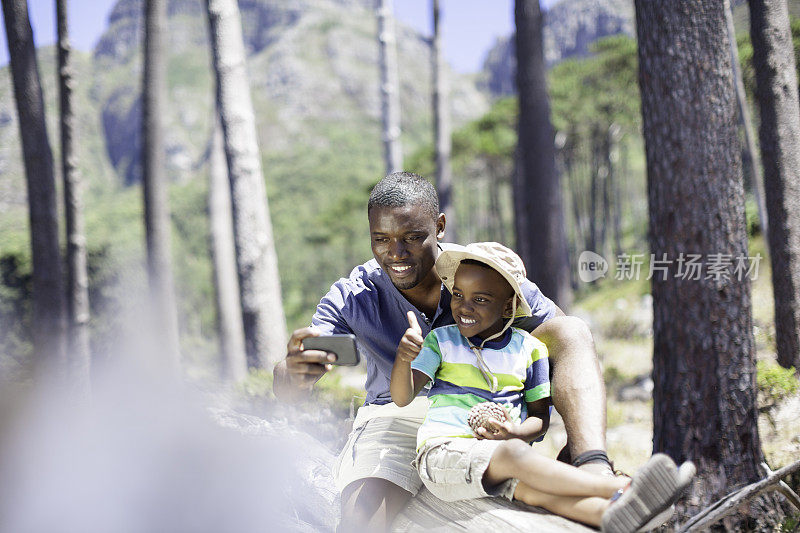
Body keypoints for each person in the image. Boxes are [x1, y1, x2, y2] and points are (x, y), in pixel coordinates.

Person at [273, 172, 612, 531]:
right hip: (394, 419)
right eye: (381, 239)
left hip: (473, 414)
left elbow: (563, 340)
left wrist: (533, 419)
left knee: (572, 329)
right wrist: (294, 373)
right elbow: (286, 390)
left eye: (413, 237)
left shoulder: (484, 273)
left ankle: (594, 466)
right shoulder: (354, 294)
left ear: (439, 226)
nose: (396, 253)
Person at [389, 242, 694, 532]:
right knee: (515, 457)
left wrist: (514, 432)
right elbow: (402, 397)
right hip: (444, 452)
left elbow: (539, 419)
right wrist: (404, 358)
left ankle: (611, 515)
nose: (464, 306)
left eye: (480, 299)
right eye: (457, 295)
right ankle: (625, 488)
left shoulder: (529, 350)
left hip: (494, 460)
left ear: (508, 307)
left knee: (538, 492)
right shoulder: (441, 341)